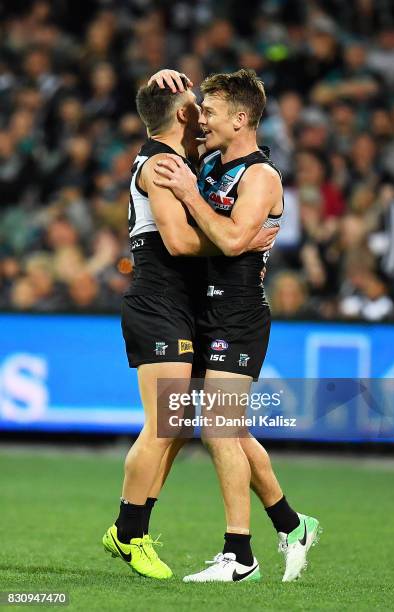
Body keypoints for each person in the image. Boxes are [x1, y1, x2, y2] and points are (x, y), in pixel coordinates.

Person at [101, 75, 278, 579]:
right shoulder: (162, 164)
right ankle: (129, 532)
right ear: (182, 117)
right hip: (159, 302)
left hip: (189, 307)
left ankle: (278, 525)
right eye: (196, 107)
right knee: (166, 424)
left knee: (186, 429)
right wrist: (238, 242)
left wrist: (157, 82)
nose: (204, 113)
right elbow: (178, 243)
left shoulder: (191, 162)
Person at [149, 68, 321, 583]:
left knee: (219, 427)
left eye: (212, 111)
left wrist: (188, 191)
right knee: (232, 431)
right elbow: (159, 132)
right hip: (203, 312)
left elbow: (230, 241)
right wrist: (160, 86)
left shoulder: (262, 177)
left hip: (239, 313)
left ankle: (238, 555)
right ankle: (293, 524)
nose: (202, 118)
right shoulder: (210, 167)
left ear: (241, 119)